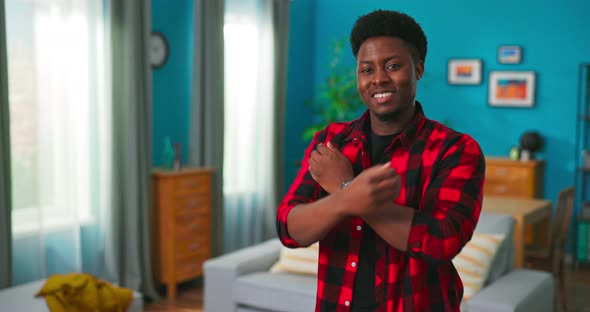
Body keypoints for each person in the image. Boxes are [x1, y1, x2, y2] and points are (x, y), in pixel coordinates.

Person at [276, 9, 485, 312]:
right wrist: (349, 196)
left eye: (393, 65)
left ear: (419, 69)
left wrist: (344, 188)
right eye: (366, 69)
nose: (378, 79)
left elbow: (442, 240)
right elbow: (288, 227)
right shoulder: (331, 143)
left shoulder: (455, 150)